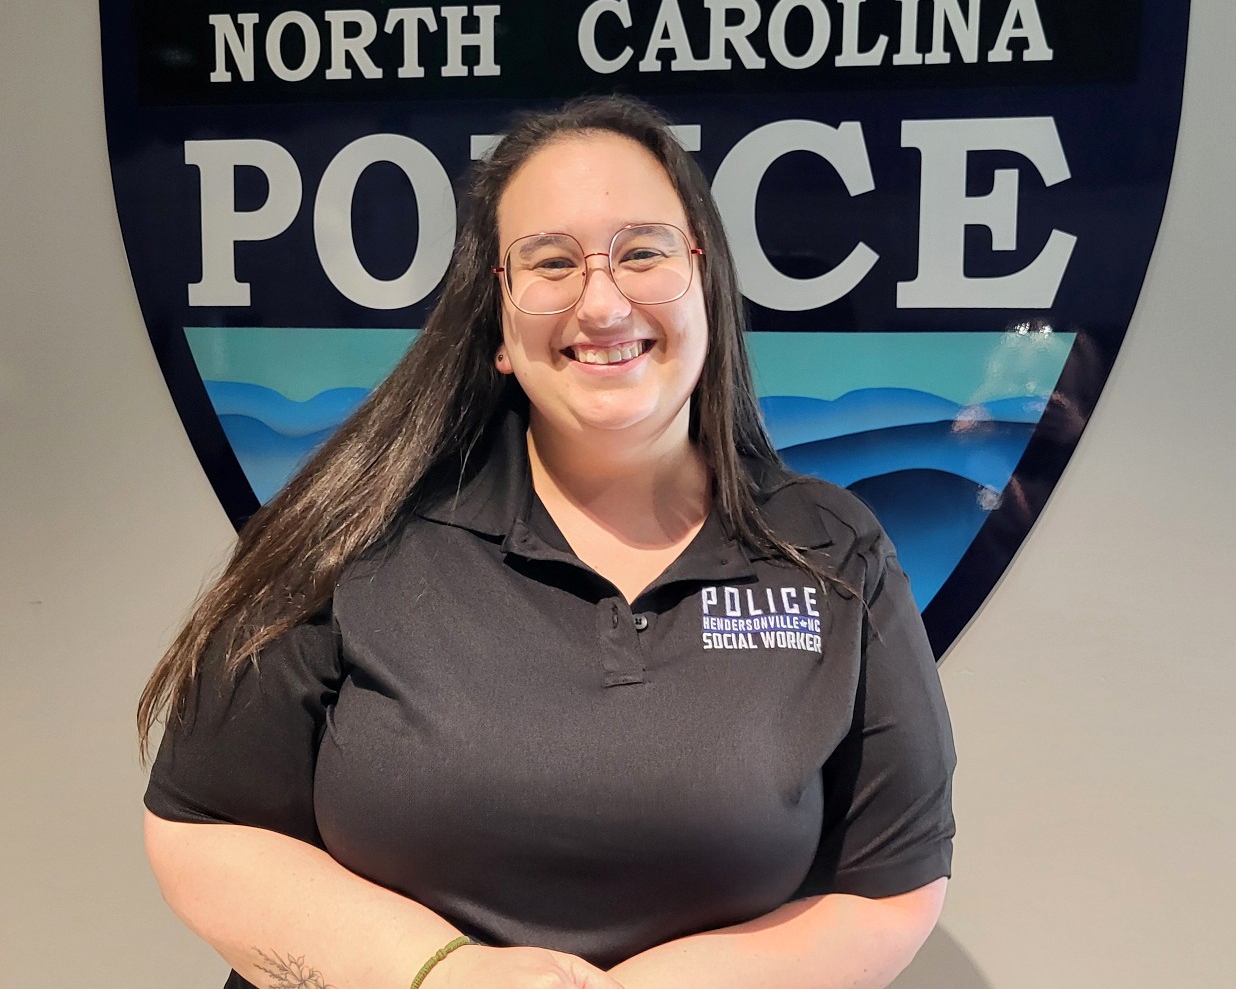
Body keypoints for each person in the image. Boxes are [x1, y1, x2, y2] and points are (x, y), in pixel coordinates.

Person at [139, 94, 955, 989]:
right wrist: (441, 977)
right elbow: (204, 826)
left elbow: (889, 886)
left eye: (642, 252)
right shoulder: (355, 527)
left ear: (707, 283)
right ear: (496, 322)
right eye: (551, 262)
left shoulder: (832, 552)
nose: (602, 302)